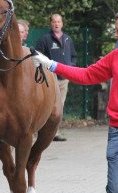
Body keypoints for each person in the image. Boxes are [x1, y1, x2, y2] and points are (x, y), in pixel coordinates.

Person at [32, 9, 118, 193]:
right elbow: (86, 75)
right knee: (117, 191)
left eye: (117, 29)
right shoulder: (116, 56)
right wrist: (50, 64)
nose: (115, 33)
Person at [36, 13, 77, 142]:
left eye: (59, 22)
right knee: (47, 106)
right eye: (54, 22)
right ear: (51, 24)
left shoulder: (68, 39)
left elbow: (74, 56)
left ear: (62, 24)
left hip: (64, 79)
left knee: (60, 106)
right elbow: (38, 56)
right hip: (49, 79)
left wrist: (71, 66)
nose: (56, 24)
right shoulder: (45, 39)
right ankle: (43, 132)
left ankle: (55, 132)